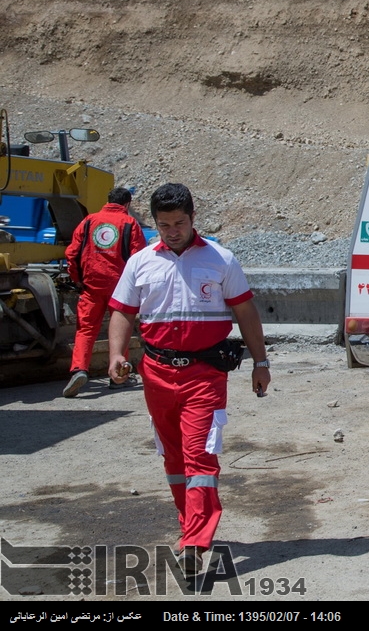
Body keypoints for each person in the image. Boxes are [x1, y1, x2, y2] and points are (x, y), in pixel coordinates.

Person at [106, 183, 270, 575]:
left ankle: (196, 543)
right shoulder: (141, 262)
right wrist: (115, 354)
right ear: (155, 224)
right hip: (157, 373)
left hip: (204, 374)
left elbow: (245, 313)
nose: (173, 230)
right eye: (164, 225)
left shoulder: (221, 260)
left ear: (193, 218)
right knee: (174, 457)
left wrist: (260, 362)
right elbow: (123, 312)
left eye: (179, 222)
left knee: (200, 455)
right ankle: (189, 529)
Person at [62, 187, 147, 398]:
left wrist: (78, 279)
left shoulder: (89, 221)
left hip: (92, 285)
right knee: (121, 329)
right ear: (126, 204)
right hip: (120, 287)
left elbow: (72, 253)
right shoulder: (130, 223)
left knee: (86, 329)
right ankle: (118, 376)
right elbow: (139, 257)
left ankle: (79, 369)